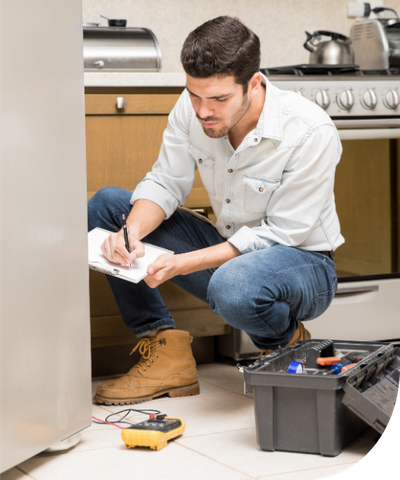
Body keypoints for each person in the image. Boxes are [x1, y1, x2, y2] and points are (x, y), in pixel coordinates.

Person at [88, 16, 344, 406]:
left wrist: (182, 264)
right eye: (195, 95)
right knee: (108, 205)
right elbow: (166, 181)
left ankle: (286, 343)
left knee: (234, 285)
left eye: (219, 100)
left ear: (253, 84)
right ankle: (165, 351)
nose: (203, 111)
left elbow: (280, 234)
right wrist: (131, 232)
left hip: (304, 263)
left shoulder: (310, 131)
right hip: (229, 250)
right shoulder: (192, 108)